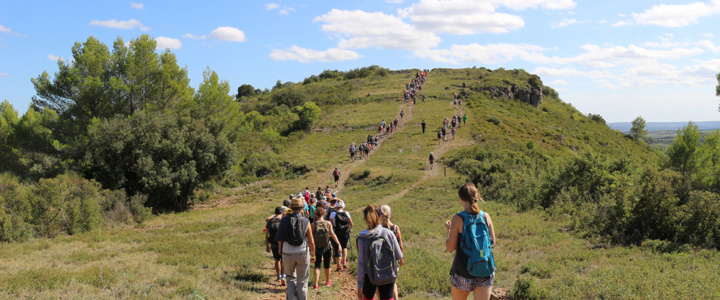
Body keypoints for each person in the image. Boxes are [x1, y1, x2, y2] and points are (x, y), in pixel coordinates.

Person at [444, 183, 496, 300]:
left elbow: (450, 248)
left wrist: (449, 230)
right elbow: (492, 243)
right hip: (485, 270)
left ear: (461, 198)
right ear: (476, 196)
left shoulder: (458, 219)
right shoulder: (486, 216)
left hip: (463, 272)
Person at [357, 205, 403, 300]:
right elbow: (399, 255)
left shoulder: (362, 237)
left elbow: (361, 264)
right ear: (379, 217)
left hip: (368, 276)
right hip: (387, 274)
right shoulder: (388, 233)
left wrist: (360, 285)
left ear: (365, 219)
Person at [276, 196, 316, 300]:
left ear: (291, 207)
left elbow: (280, 237)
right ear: (302, 208)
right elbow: (311, 241)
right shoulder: (306, 221)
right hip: (302, 252)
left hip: (287, 252)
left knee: (290, 278)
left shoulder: (284, 220)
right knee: (302, 280)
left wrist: (280, 248)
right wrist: (313, 254)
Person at [312, 207, 342, 290]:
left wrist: (311, 249)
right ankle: (327, 281)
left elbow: (311, 237)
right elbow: (332, 234)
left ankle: (316, 284)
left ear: (316, 214)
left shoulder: (313, 224)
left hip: (317, 247)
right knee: (327, 264)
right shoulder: (328, 223)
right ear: (324, 214)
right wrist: (338, 244)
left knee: (317, 265)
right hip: (327, 246)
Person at [380, 205, 403, 300]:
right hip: (394, 260)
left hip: (382, 260)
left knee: (381, 282)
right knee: (393, 281)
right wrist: (401, 259)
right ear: (390, 214)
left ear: (380, 215)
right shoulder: (396, 228)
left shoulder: (379, 229)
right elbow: (400, 244)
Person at [330, 200, 353, 270]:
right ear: (343, 206)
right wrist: (348, 229)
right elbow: (351, 224)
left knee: (337, 248)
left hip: (336, 233)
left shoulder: (333, 213)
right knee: (344, 247)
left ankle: (338, 265)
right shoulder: (346, 213)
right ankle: (344, 261)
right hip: (345, 233)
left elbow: (330, 224)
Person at [266, 206, 287, 285]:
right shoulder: (284, 220)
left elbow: (267, 234)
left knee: (277, 260)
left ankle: (278, 276)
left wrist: (267, 245)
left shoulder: (270, 221)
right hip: (283, 243)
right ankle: (284, 275)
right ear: (282, 213)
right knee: (283, 260)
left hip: (273, 243)